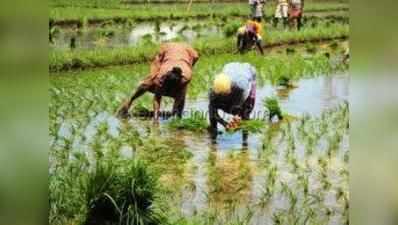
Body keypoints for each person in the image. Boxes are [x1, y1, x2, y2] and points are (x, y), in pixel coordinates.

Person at [117, 42, 199, 120]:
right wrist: (156, 118)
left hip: (187, 51)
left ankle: (178, 116)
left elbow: (196, 56)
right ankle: (129, 101)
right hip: (168, 49)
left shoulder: (186, 77)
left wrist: (174, 113)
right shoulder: (161, 76)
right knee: (147, 83)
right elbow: (157, 97)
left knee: (182, 94)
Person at [208, 62, 257, 144]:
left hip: (248, 74)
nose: (222, 96)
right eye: (220, 94)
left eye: (224, 94)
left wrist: (237, 118)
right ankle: (214, 138)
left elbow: (241, 109)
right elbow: (212, 113)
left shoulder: (241, 88)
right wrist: (225, 124)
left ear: (230, 89)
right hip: (230, 69)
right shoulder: (213, 91)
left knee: (245, 115)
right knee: (213, 115)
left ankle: (245, 142)